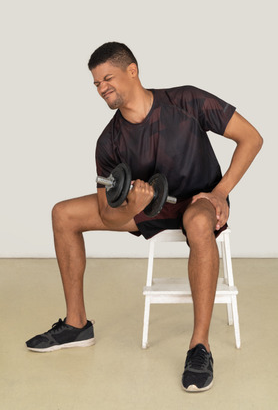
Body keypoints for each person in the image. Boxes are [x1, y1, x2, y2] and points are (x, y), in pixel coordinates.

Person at [26, 42, 263, 392]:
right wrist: (133, 207)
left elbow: (251, 138)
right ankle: (77, 324)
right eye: (96, 83)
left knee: (198, 222)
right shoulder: (109, 141)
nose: (101, 87)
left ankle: (200, 346)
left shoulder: (187, 100)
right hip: (146, 210)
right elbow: (108, 213)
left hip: (198, 201)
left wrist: (220, 192)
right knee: (63, 214)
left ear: (132, 71)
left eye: (107, 78)